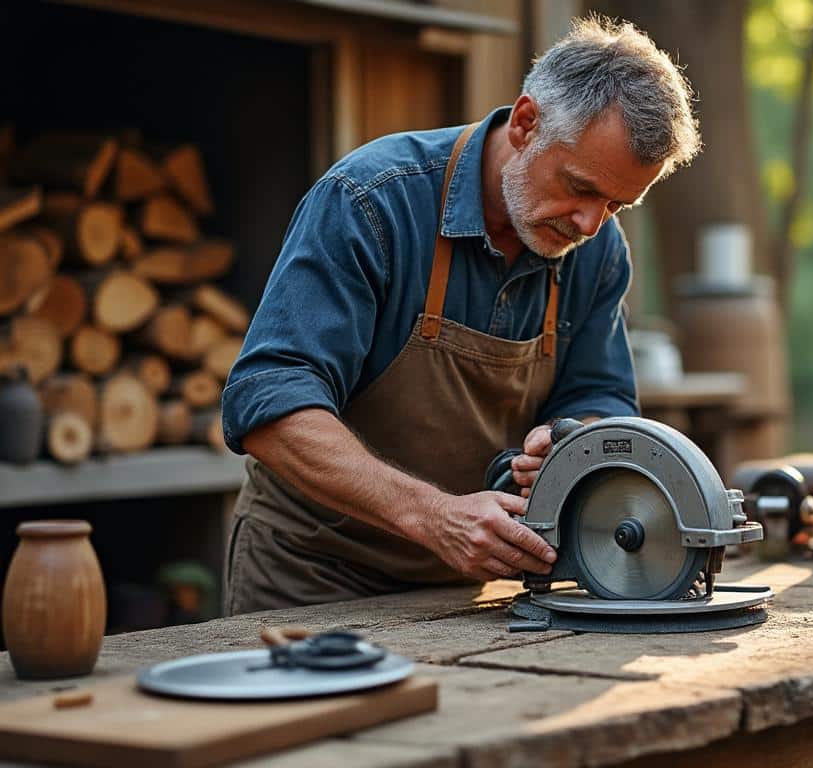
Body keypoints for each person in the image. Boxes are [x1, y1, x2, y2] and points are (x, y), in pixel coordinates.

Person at [219, 17, 700, 615]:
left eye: (616, 203)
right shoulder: (372, 202)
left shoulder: (596, 250)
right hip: (313, 577)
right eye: (579, 187)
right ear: (526, 123)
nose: (589, 224)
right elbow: (268, 404)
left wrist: (568, 442)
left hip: (468, 587)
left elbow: (599, 395)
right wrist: (433, 515)